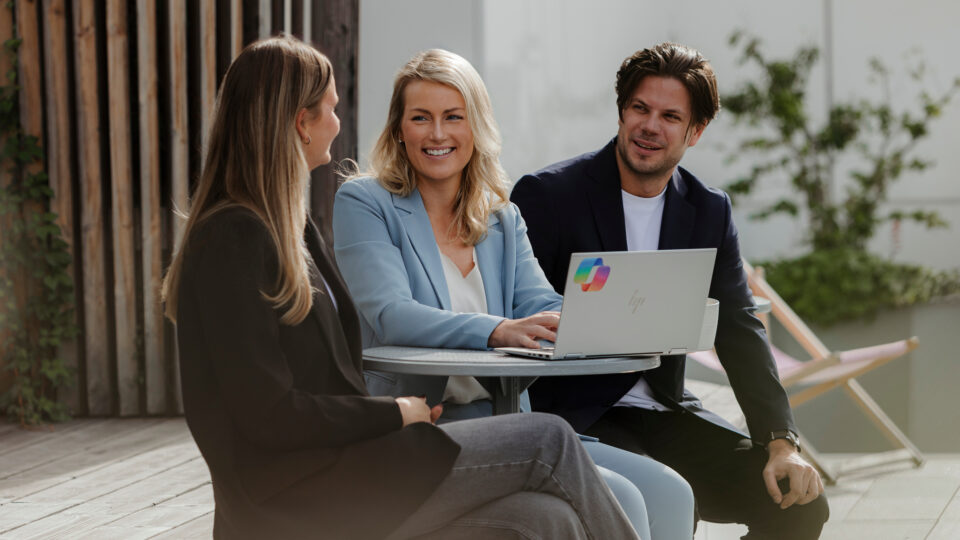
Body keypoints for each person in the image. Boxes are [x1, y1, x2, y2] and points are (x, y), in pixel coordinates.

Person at [161, 36, 638, 540]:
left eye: (454, 116)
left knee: (545, 520)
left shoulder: (291, 230)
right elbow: (267, 415)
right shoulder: (233, 238)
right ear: (302, 122)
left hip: (347, 469)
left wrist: (612, 315)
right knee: (550, 441)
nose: (338, 123)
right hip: (302, 497)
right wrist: (393, 412)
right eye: (331, 109)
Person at [333, 48, 694, 540]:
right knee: (622, 499)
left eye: (453, 118)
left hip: (509, 420)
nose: (437, 134)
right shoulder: (365, 202)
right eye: (421, 118)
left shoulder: (502, 218)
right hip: (423, 428)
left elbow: (541, 306)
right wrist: (497, 330)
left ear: (475, 126)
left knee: (672, 492)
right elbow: (393, 314)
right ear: (400, 128)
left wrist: (613, 315)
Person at [510, 42, 831, 539]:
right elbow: (515, 312)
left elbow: (739, 329)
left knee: (799, 503)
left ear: (694, 131)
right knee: (667, 495)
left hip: (665, 411)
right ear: (621, 111)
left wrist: (780, 441)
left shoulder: (708, 210)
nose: (650, 126)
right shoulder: (548, 196)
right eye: (640, 108)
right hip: (577, 416)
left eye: (669, 115)